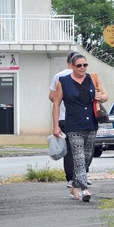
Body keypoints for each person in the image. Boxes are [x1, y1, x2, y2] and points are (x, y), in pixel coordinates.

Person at [52, 54, 108, 201]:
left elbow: (105, 95)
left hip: (91, 124)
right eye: (79, 65)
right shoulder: (63, 82)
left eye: (85, 65)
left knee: (88, 156)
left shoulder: (92, 79)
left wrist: (100, 97)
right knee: (78, 157)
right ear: (72, 66)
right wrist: (56, 125)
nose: (82, 68)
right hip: (73, 125)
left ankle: (74, 187)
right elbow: (56, 104)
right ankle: (84, 189)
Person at [49, 51, 79, 187]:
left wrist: (59, 100)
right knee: (80, 149)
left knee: (70, 151)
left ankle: (71, 178)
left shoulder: (58, 76)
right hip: (73, 118)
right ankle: (79, 175)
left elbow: (51, 96)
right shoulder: (81, 76)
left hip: (62, 117)